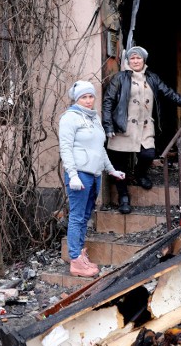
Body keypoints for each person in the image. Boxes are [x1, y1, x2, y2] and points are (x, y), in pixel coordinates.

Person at [102, 46, 181, 215]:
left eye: (138, 58)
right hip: (122, 127)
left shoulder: (152, 78)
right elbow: (108, 101)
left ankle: (140, 174)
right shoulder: (120, 78)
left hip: (145, 126)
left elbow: (168, 93)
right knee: (120, 165)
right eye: (132, 58)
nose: (135, 61)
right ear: (128, 61)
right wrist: (108, 125)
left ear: (144, 60)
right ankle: (123, 196)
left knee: (148, 154)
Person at [59, 80, 126, 277]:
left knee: (85, 216)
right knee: (77, 217)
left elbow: (99, 149)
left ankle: (79, 253)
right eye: (84, 97)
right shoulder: (69, 118)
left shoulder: (94, 117)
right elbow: (66, 149)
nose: (88, 101)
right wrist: (72, 175)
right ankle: (75, 261)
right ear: (76, 99)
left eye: (90, 96)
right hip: (79, 175)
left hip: (95, 175)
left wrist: (111, 170)